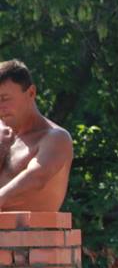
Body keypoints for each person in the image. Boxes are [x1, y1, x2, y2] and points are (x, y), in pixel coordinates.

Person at [0, 59, 73, 212]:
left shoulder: (56, 138)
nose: (0, 107)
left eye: (4, 98)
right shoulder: (4, 136)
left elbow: (36, 177)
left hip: (34, 233)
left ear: (31, 93)